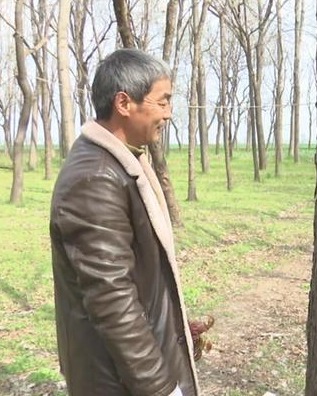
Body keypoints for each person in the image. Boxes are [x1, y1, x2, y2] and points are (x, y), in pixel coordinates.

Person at [50, 48, 198, 396]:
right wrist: (160, 388)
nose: (168, 113)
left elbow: (135, 278)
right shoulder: (96, 178)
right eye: (162, 102)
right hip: (116, 381)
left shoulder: (122, 163)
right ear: (124, 103)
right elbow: (111, 299)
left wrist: (173, 325)